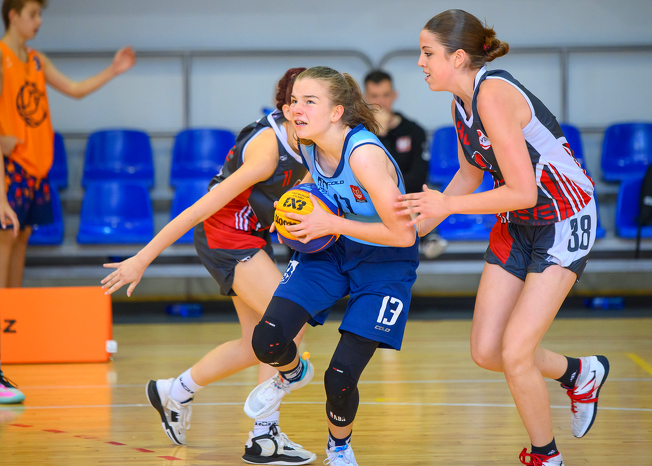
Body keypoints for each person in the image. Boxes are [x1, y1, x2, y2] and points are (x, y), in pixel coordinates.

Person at [396, 10, 609, 466]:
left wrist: (444, 206)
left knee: (515, 352)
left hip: (563, 217)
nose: (420, 62)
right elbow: (470, 174)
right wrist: (412, 230)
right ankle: (579, 372)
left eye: (427, 53)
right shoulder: (460, 103)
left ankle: (546, 456)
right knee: (487, 350)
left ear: (457, 57)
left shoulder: (492, 95)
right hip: (518, 221)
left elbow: (523, 190)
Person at [100, 68, 317, 465]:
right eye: (300, 102)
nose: (307, 109)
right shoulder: (266, 151)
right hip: (225, 236)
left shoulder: (309, 137)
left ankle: (175, 391)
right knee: (287, 322)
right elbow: (200, 208)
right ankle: (264, 436)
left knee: (254, 344)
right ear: (287, 109)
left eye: (314, 101)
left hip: (251, 235)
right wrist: (142, 258)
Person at [242, 66, 419, 466]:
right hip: (333, 248)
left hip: (385, 258)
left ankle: (339, 449)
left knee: (339, 377)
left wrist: (331, 224)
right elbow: (314, 178)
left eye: (309, 101)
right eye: (294, 101)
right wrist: (295, 204)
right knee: (267, 339)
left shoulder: (364, 156)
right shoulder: (307, 140)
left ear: (337, 112)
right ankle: (291, 373)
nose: (296, 109)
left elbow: (404, 234)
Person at [0, 0, 135, 404]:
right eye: (32, 14)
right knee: (5, 240)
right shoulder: (2, 58)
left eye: (40, 14)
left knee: (21, 240)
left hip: (36, 167)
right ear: (12, 15)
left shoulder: (36, 60)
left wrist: (113, 70)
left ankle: (12, 328)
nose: (38, 21)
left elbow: (74, 90)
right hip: (11, 165)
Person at [363, 69, 448, 259]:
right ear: (365, 98)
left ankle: (424, 234)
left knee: (418, 197)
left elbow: (419, 177)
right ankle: (426, 236)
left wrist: (394, 191)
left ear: (394, 95)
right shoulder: (359, 133)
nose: (381, 101)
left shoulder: (413, 130)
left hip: (406, 197)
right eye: (375, 96)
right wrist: (380, 134)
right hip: (371, 199)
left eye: (385, 95)